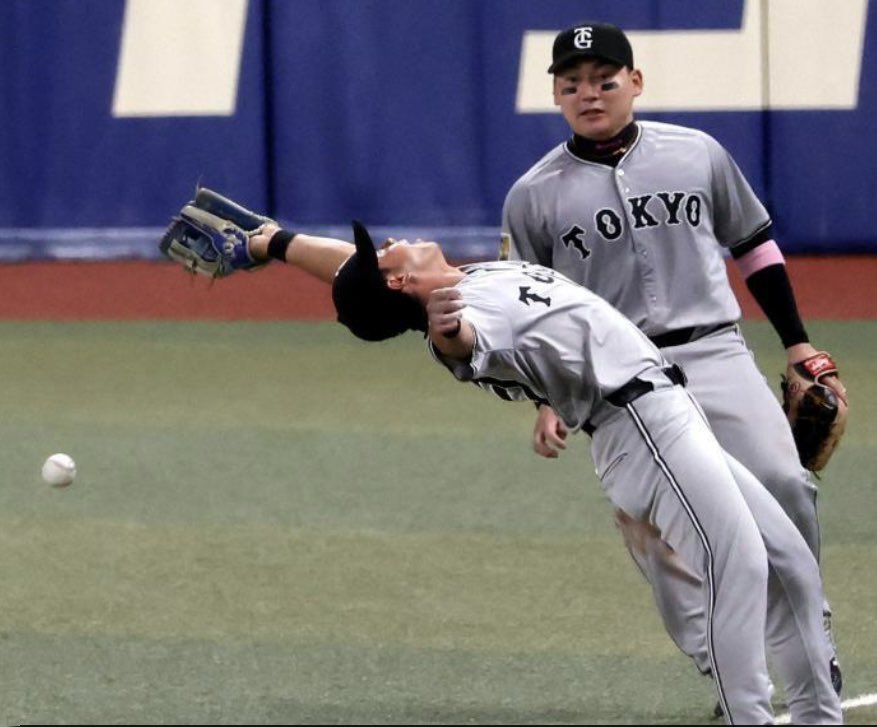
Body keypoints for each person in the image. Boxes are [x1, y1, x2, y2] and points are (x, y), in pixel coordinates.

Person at [215, 217, 841, 724]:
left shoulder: (463, 275)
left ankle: (818, 718)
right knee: (737, 564)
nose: (389, 242)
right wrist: (447, 327)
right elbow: (462, 340)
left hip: (668, 413)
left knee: (788, 560)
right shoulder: (458, 313)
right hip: (642, 428)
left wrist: (276, 242)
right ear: (401, 282)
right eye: (384, 254)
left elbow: (350, 272)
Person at [500, 20, 848, 703]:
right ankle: (723, 660)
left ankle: (813, 633)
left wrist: (797, 341)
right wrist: (546, 398)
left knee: (784, 482)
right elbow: (529, 308)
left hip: (713, 348)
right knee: (656, 530)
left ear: (635, 82)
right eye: (572, 84)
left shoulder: (696, 153)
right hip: (615, 379)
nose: (589, 94)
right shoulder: (533, 194)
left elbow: (754, 245)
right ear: (556, 95)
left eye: (604, 80)